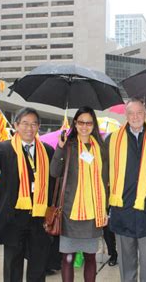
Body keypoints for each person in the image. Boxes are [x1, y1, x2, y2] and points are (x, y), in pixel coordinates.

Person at [0, 107, 55, 282]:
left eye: (34, 124)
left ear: (38, 127)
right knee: (13, 264)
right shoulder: (5, 149)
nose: (29, 128)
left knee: (38, 265)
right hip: (13, 216)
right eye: (25, 123)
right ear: (16, 125)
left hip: (39, 217)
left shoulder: (47, 151)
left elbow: (56, 176)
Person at [106, 98, 146, 282]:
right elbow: (106, 169)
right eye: (131, 113)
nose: (135, 117)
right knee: (126, 262)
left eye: (139, 112)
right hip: (122, 209)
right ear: (125, 116)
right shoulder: (113, 139)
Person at [50, 106, 108, 282]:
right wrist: (60, 147)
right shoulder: (68, 146)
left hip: (93, 212)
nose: (85, 126)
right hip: (70, 211)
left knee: (91, 257)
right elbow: (54, 171)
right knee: (68, 257)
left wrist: (105, 209)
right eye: (81, 122)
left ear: (93, 125)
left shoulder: (101, 148)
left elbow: (105, 180)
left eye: (89, 123)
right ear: (75, 123)